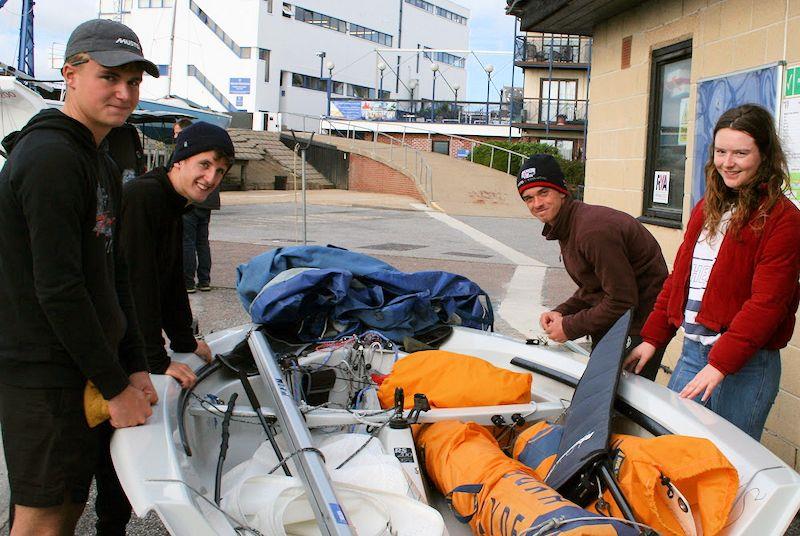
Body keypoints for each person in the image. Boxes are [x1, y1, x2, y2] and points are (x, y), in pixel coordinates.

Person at [0, 18, 159, 535]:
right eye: (109, 77)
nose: (124, 92)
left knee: (69, 503)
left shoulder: (100, 160)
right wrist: (116, 387)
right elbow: (59, 287)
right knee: (42, 516)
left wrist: (133, 364)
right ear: (69, 74)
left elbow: (115, 277)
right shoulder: (49, 157)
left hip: (86, 364)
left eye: (133, 81)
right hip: (43, 372)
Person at [624, 104, 800, 441]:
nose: (727, 162)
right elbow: (679, 281)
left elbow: (768, 304)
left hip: (745, 365)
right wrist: (652, 338)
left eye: (740, 153)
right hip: (693, 353)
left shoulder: (783, 219)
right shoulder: (707, 207)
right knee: (672, 446)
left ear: (764, 155)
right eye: (721, 151)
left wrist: (720, 364)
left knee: (729, 463)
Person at [518, 154, 669, 379]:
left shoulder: (592, 231)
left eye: (543, 192)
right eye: (528, 198)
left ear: (562, 190)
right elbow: (595, 287)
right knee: (601, 395)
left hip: (640, 325)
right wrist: (563, 311)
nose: (537, 204)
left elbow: (622, 300)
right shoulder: (569, 224)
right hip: (621, 321)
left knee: (619, 404)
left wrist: (569, 327)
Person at [121, 121, 235, 388]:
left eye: (219, 171)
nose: (211, 179)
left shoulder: (172, 202)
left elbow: (170, 281)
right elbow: (137, 284)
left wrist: (185, 339)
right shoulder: (144, 197)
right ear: (180, 161)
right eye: (204, 165)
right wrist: (155, 360)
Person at [176, 118, 223, 293]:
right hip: (207, 203)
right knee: (202, 242)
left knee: (188, 242)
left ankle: (188, 282)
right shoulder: (210, 149)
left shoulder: (190, 151)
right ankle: (204, 280)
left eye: (177, 132)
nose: (175, 136)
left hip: (192, 203)